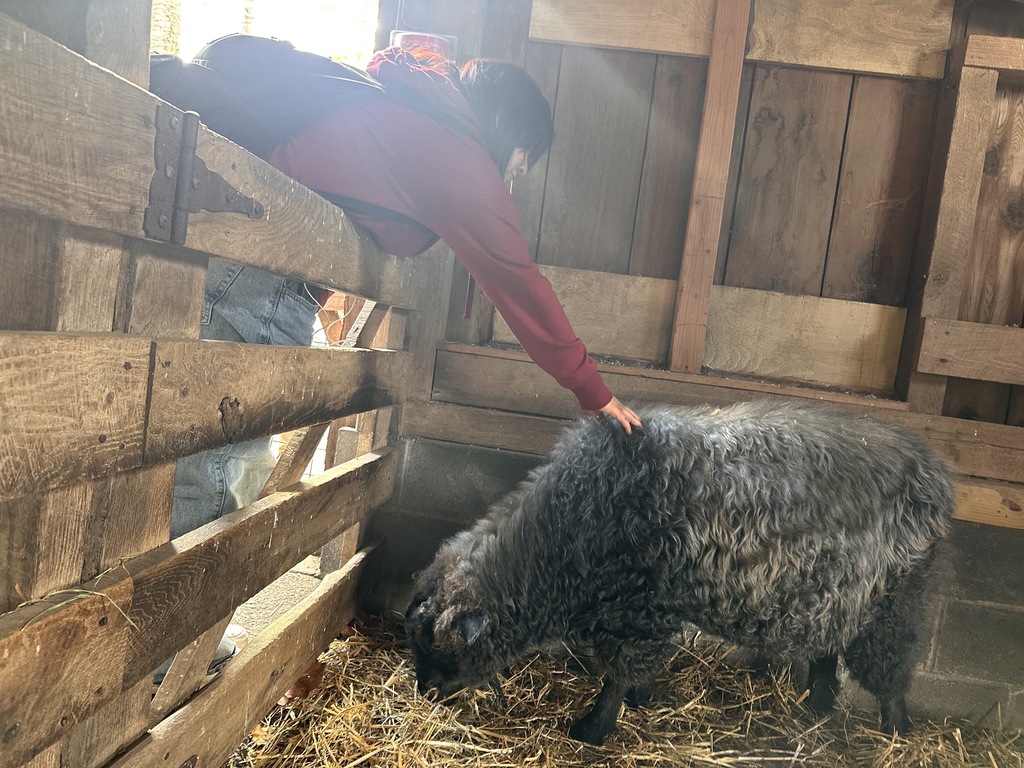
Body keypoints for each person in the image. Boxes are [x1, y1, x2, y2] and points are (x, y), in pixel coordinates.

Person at [169, 41, 642, 540]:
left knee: (223, 459)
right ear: (507, 126)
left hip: (249, 265)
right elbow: (519, 281)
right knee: (220, 466)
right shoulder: (456, 157)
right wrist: (594, 393)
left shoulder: (417, 109)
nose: (511, 180)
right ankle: (172, 592)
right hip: (257, 276)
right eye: (520, 164)